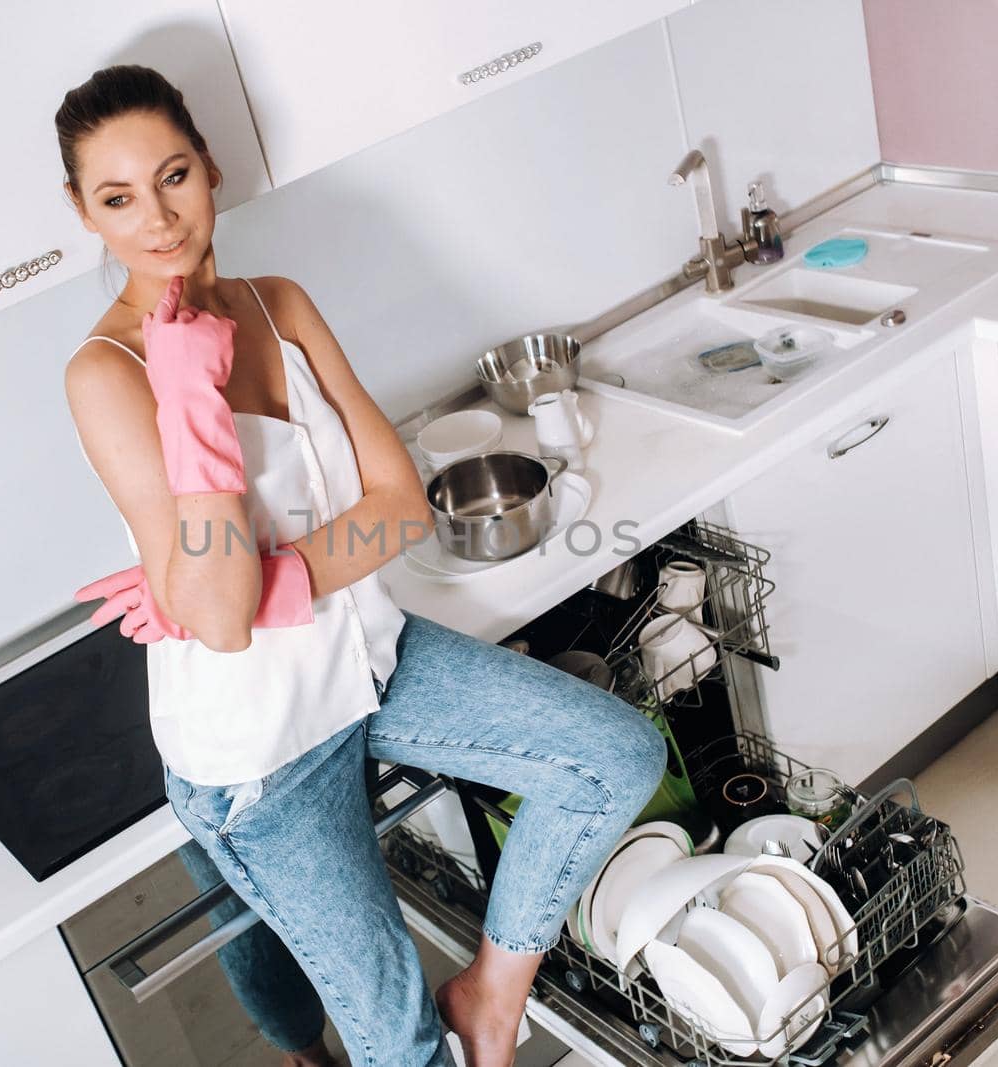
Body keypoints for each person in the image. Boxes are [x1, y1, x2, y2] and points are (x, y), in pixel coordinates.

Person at [56, 64, 667, 1067]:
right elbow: (214, 619)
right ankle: (309, 1048)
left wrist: (272, 582)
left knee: (613, 757)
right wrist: (191, 398)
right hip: (259, 753)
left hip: (369, 660)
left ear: (209, 166)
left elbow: (399, 506)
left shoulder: (278, 301)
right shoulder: (108, 373)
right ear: (83, 209)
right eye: (118, 197)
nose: (157, 219)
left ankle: (490, 1000)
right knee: (396, 1042)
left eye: (173, 175)